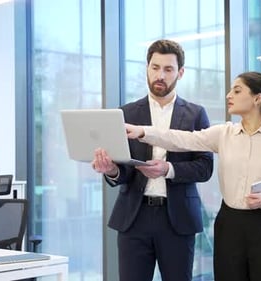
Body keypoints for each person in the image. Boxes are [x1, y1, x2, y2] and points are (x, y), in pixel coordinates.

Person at [125, 71, 261, 281]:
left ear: (257, 98)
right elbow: (181, 139)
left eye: (237, 90)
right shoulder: (224, 133)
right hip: (229, 224)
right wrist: (141, 132)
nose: (228, 95)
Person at [91, 39, 214, 281]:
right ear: (147, 68)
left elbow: (205, 167)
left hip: (177, 219)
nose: (160, 75)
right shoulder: (125, 113)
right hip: (134, 219)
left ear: (180, 73)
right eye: (155, 67)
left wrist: (168, 169)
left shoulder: (195, 114)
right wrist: (112, 169)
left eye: (168, 69)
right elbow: (123, 170)